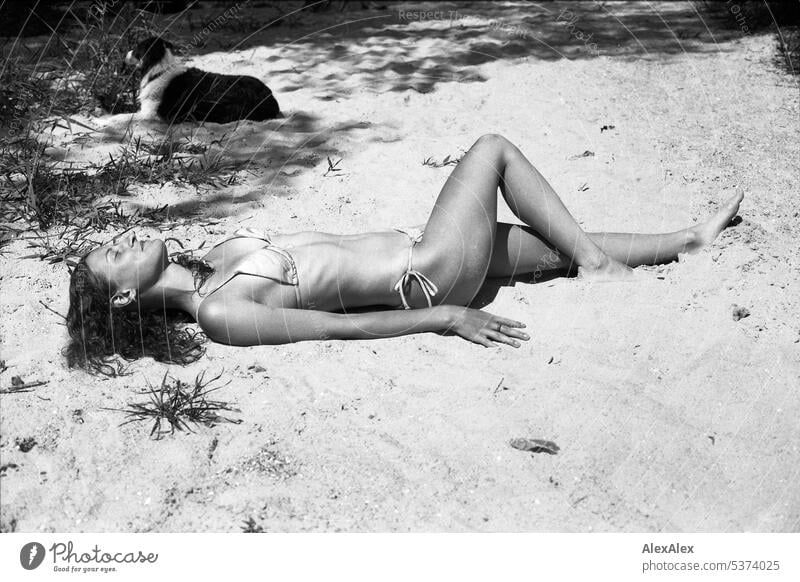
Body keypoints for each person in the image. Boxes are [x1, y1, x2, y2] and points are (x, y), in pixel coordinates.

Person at [65, 134, 743, 374]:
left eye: (112, 236)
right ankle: (601, 270)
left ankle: (689, 239)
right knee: (493, 150)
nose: (122, 237)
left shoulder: (213, 256)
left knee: (558, 245)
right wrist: (445, 316)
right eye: (113, 256)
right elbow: (337, 326)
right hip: (427, 277)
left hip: (427, 253)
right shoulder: (221, 315)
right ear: (125, 295)